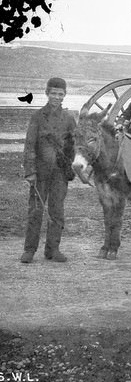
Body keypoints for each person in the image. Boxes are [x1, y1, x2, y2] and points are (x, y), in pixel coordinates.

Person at [20, 77, 76, 264]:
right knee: (35, 211)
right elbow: (29, 145)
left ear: (65, 95)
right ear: (47, 93)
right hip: (40, 174)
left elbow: (73, 146)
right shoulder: (37, 116)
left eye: (60, 94)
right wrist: (30, 171)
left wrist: (70, 166)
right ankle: (29, 250)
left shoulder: (69, 118)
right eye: (53, 93)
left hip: (60, 173)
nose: (57, 97)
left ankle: (53, 250)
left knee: (57, 211)